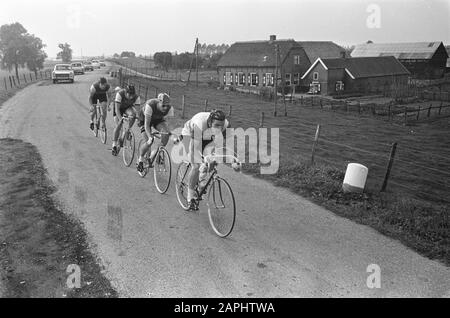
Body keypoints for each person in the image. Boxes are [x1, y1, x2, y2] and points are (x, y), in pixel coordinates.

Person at [179, 109, 230, 211]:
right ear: (210, 122)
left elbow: (219, 145)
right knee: (196, 166)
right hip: (189, 134)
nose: (219, 128)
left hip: (206, 135)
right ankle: (190, 198)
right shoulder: (200, 123)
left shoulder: (225, 125)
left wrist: (213, 157)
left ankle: (201, 183)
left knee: (211, 160)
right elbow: (194, 148)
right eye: (216, 125)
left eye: (221, 125)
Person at [136, 93, 174, 173]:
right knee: (149, 141)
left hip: (157, 120)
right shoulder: (150, 105)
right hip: (144, 120)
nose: (165, 108)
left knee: (165, 134)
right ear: (158, 102)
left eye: (167, 106)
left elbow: (169, 124)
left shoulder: (170, 109)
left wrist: (167, 132)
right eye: (163, 105)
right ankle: (141, 159)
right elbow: (146, 125)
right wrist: (150, 137)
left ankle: (153, 156)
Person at [111, 84, 141, 156]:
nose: (131, 97)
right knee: (118, 125)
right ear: (125, 92)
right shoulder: (120, 94)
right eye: (129, 95)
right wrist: (120, 118)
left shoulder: (136, 97)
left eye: (132, 95)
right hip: (118, 109)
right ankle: (114, 144)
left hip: (127, 108)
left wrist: (139, 120)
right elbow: (117, 109)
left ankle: (126, 131)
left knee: (133, 115)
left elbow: (137, 112)